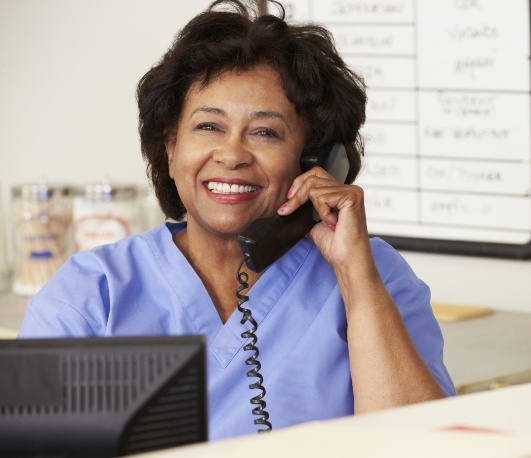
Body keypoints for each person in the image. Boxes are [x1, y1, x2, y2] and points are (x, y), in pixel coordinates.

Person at [18, 0, 455, 441]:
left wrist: (356, 281)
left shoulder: (375, 276)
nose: (231, 155)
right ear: (170, 148)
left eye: (266, 132)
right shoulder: (90, 296)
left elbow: (425, 446)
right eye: (208, 126)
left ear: (313, 162)